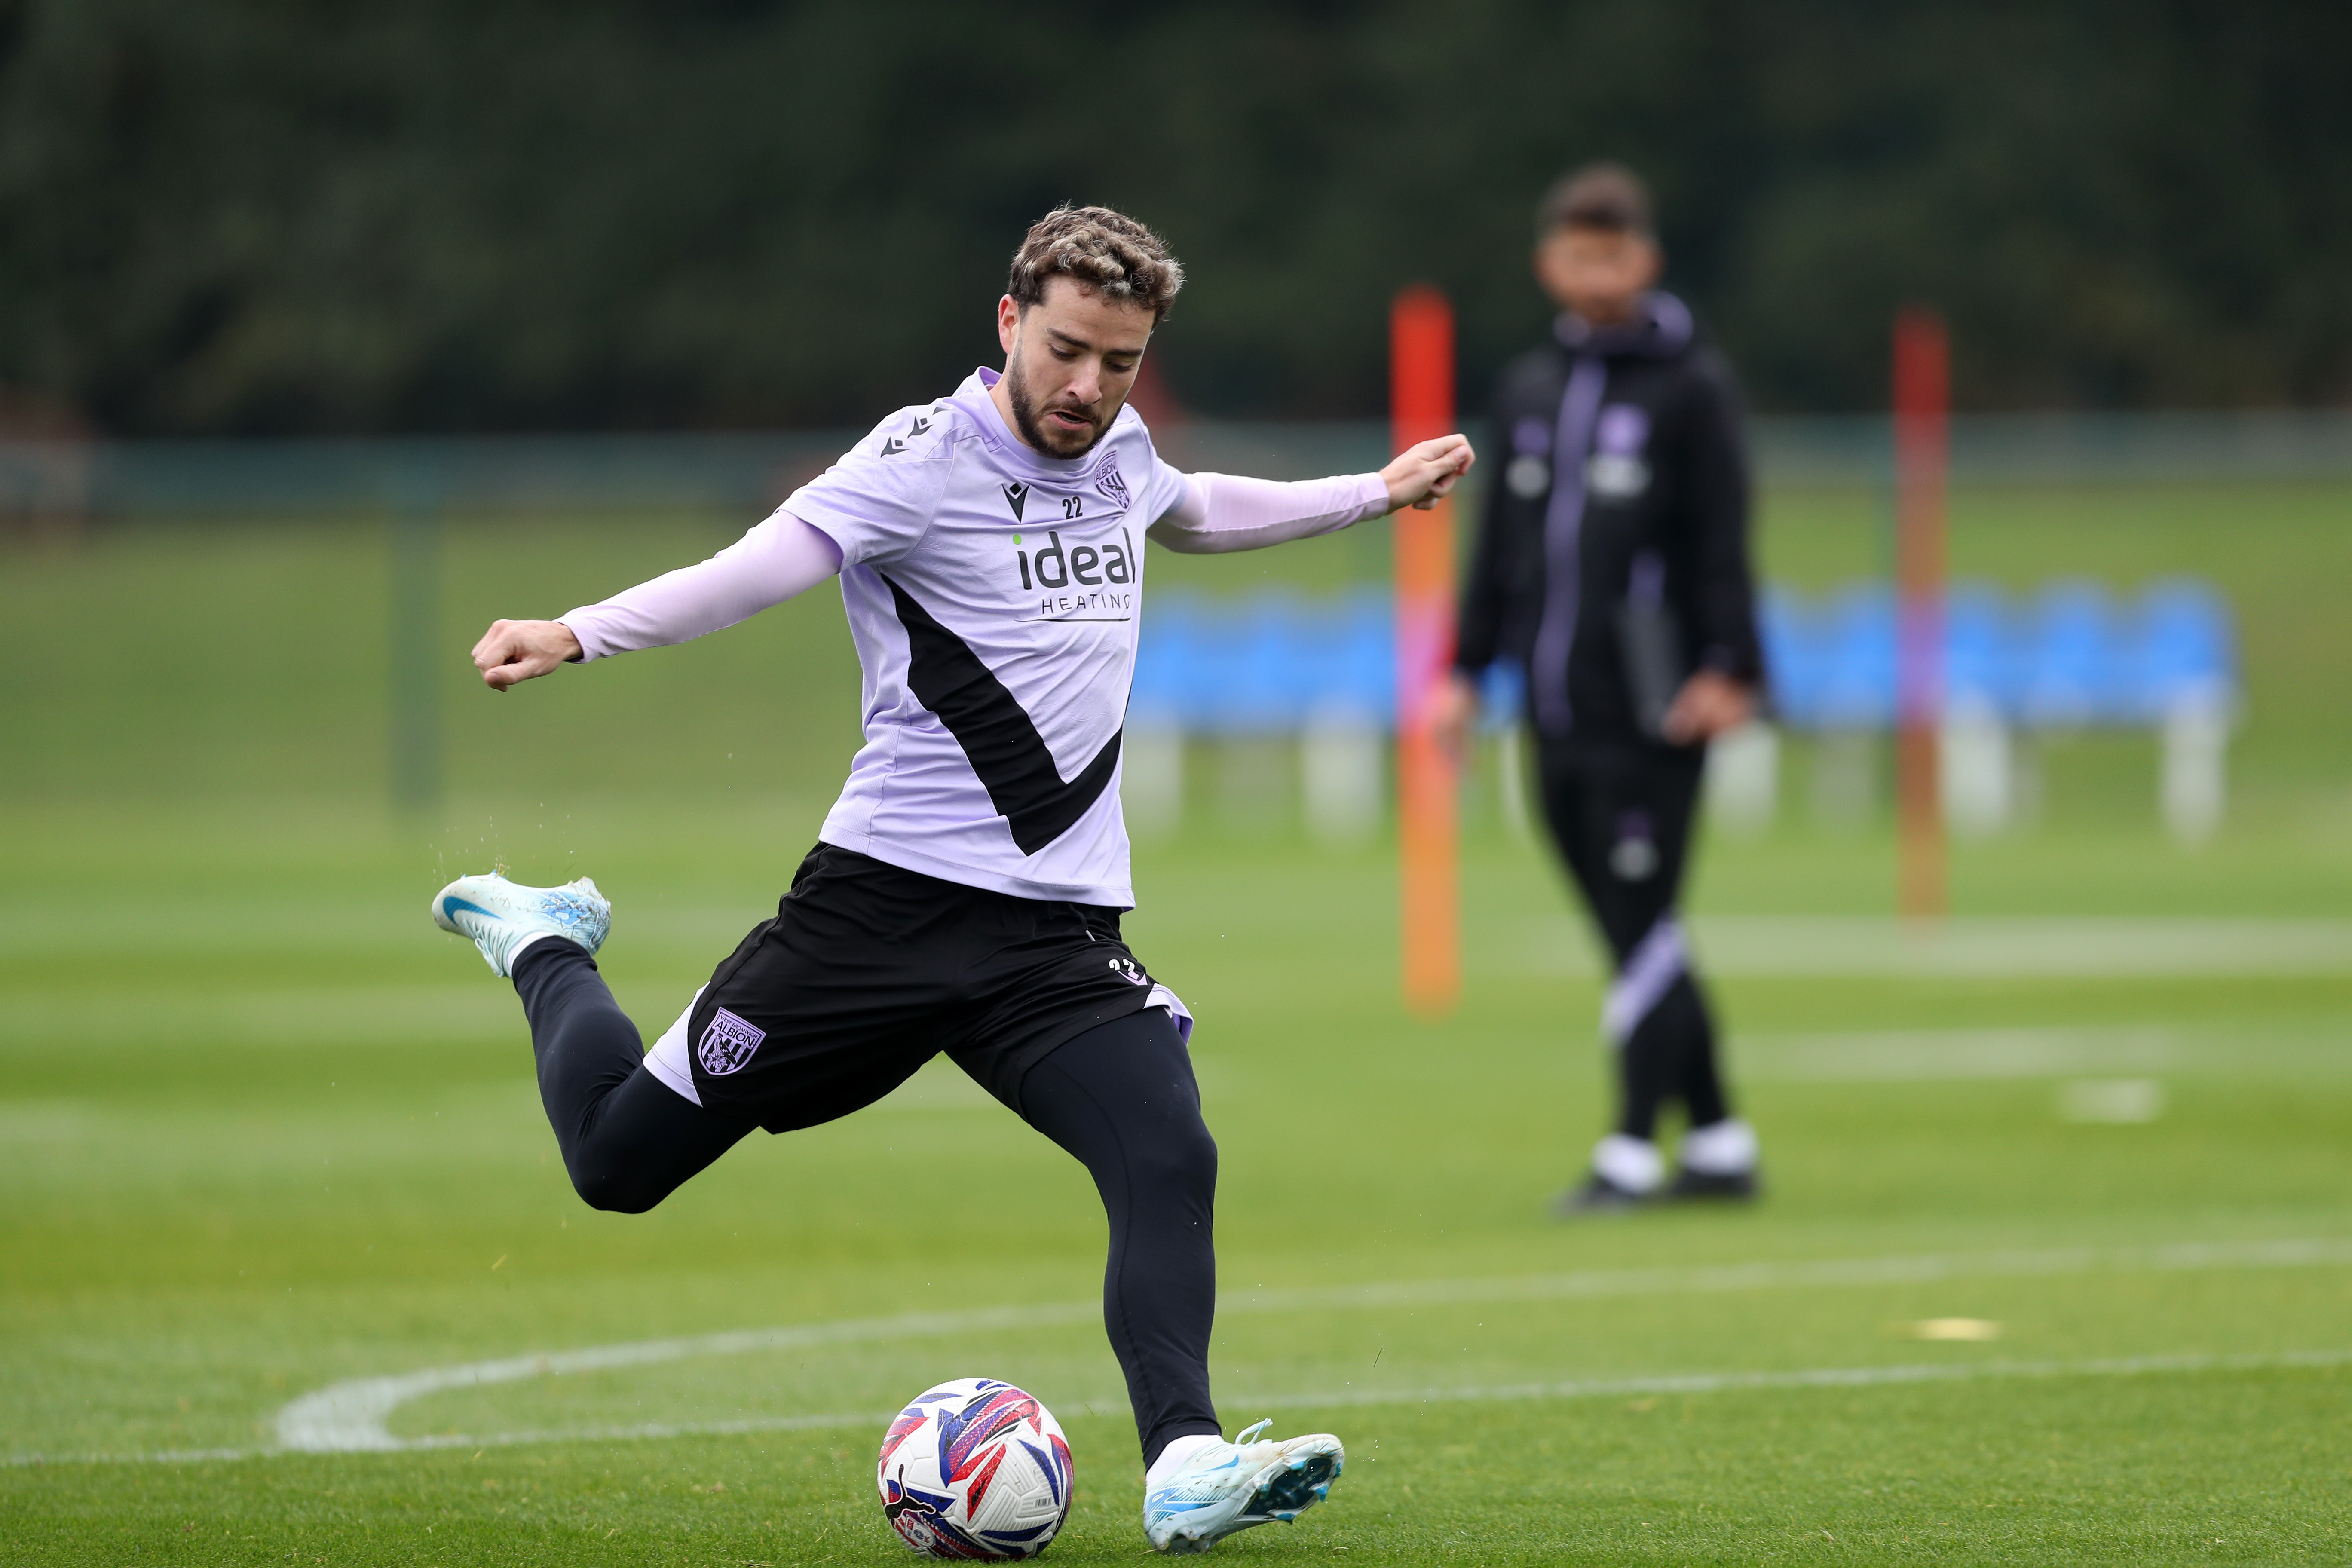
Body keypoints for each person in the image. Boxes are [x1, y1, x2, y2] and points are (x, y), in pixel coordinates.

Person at [430, 205, 1473, 1555]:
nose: (1090, 388)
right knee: (617, 1164)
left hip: (1053, 941)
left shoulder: (1125, 449)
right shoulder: (918, 459)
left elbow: (1195, 511)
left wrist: (1372, 491)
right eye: (1068, 350)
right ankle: (547, 941)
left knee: (1167, 1145)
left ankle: (1185, 1462)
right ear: (1008, 321)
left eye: (1122, 361)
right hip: (876, 916)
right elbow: (755, 573)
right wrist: (578, 631)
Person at [1435, 162, 1766, 1216]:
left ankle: (1631, 1150)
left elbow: (1726, 543)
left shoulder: (1693, 388)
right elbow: (1497, 552)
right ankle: (1718, 1138)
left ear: (1646, 260)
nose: (1596, 273)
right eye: (1577, 254)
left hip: (1655, 708)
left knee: (1643, 918)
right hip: (1551, 707)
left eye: (1614, 253)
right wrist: (1462, 671)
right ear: (1549, 265)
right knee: (1632, 929)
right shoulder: (1532, 390)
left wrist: (1734, 668)